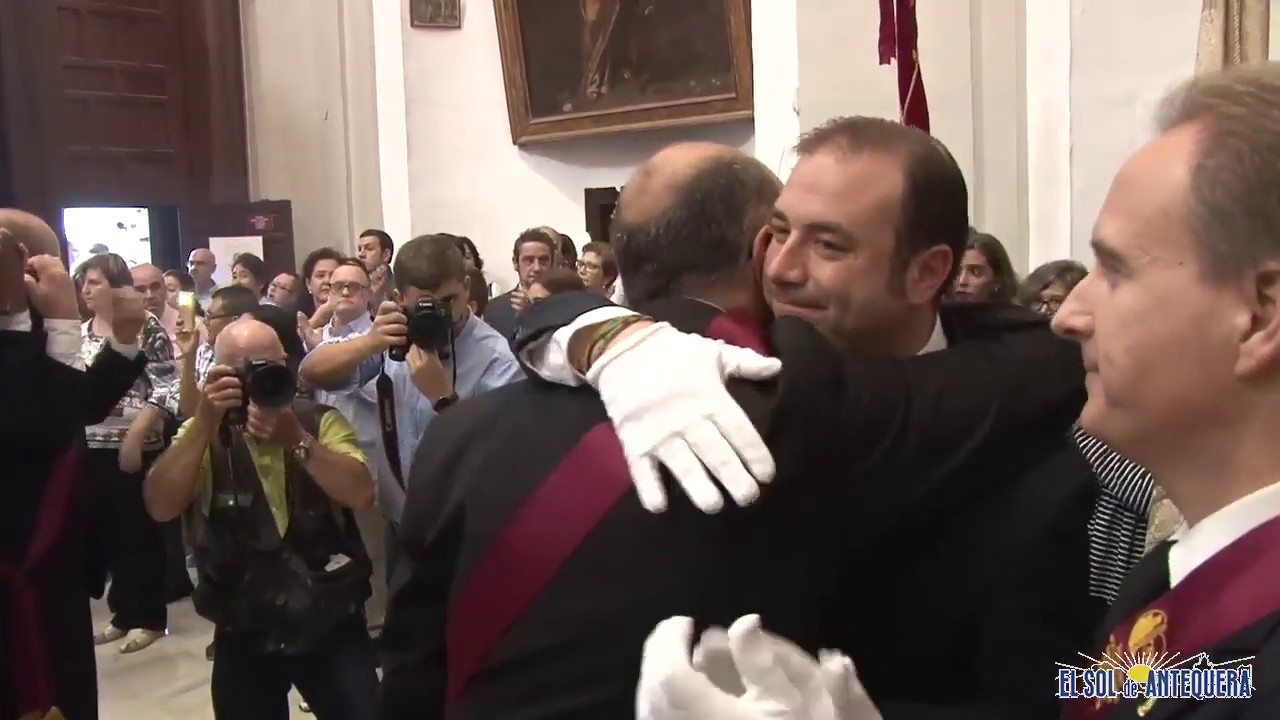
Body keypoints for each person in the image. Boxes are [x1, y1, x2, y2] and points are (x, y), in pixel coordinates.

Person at [377, 143, 1086, 719]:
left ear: (930, 271)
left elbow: (1067, 697)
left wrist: (585, 329)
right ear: (753, 251)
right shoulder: (794, 397)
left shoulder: (463, 430)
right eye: (778, 235)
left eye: (827, 243)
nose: (784, 265)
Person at [143, 317, 379, 719]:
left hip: (330, 617)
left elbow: (361, 492)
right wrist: (203, 424)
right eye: (244, 370)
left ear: (285, 363)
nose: (258, 380)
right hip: (243, 622)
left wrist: (297, 441)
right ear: (219, 373)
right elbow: (160, 505)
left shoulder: (317, 422)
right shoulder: (205, 432)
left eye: (269, 366)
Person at [0, 210, 148, 720]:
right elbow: (29, 422)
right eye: (44, 264)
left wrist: (124, 340)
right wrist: (61, 321)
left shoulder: (33, 323)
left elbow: (75, 409)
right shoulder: (37, 323)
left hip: (53, 562)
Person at [300, 233, 524, 525]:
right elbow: (311, 372)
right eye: (426, 305)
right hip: (398, 518)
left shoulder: (497, 359)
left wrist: (443, 401)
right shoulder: (391, 336)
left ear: (467, 287)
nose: (441, 314)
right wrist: (370, 343)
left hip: (464, 524)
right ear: (399, 298)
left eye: (449, 300)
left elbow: (501, 459)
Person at [482, 228, 557, 342]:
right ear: (515, 263)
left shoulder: (565, 305)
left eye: (543, 260)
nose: (537, 268)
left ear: (552, 263)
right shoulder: (495, 309)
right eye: (529, 260)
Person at [949, 229, 1018, 303]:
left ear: (998, 277)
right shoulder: (941, 313)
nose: (962, 281)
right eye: (956, 272)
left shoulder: (1016, 314)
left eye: (975, 272)